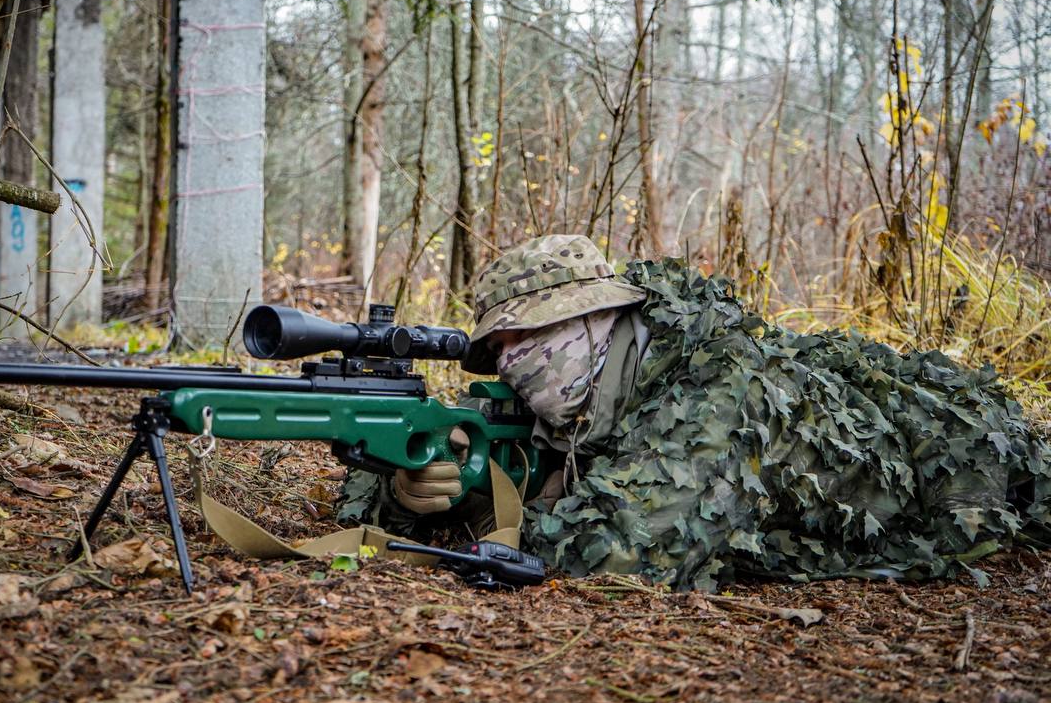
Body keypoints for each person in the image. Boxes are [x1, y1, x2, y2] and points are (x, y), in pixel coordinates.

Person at [339, 235, 1051, 590]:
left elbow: (621, 552)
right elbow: (397, 465)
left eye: (533, 332)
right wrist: (413, 493)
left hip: (962, 454)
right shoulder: (574, 389)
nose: (514, 361)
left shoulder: (719, 386)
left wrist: (460, 540)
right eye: (499, 345)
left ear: (599, 316)